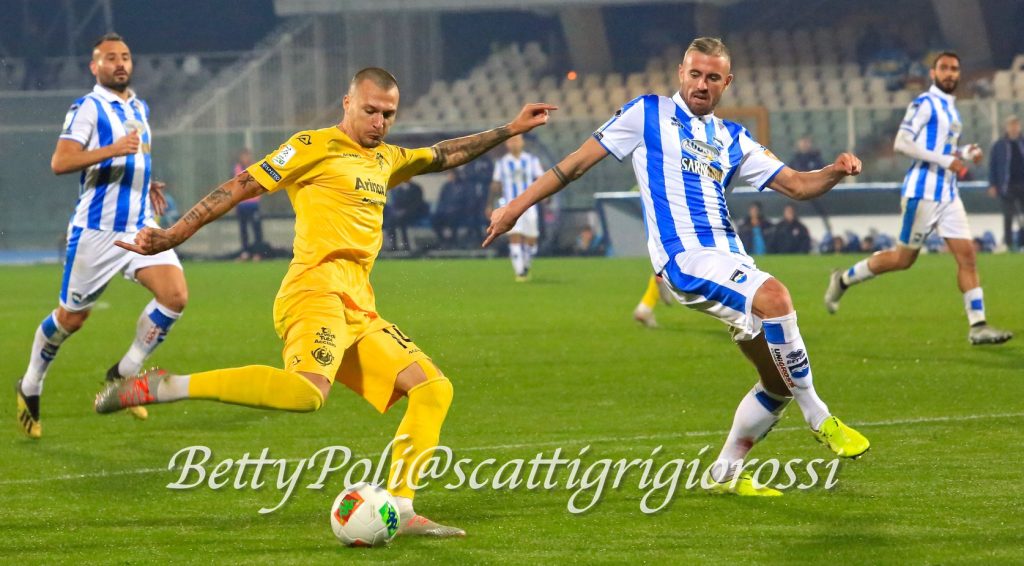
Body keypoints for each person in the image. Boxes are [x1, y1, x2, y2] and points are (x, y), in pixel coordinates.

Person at [94, 67, 555, 536]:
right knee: (308, 394)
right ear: (347, 103)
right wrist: (174, 233)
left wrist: (511, 129)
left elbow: (442, 154)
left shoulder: (387, 159)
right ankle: (165, 386)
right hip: (314, 291)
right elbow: (239, 187)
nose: (379, 121)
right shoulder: (311, 147)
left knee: (434, 389)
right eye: (370, 110)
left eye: (388, 114)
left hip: (359, 303)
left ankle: (401, 507)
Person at [485, 37, 869, 497]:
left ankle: (723, 475)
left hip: (730, 258)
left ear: (726, 82)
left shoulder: (732, 138)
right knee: (776, 297)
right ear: (680, 73)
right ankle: (820, 417)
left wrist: (835, 170)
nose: (701, 84)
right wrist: (515, 207)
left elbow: (798, 187)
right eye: (694, 74)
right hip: (683, 257)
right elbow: (574, 166)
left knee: (777, 382)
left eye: (712, 77)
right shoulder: (645, 114)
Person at [14, 33, 187, 438]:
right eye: (110, 58)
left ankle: (123, 374)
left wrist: (147, 183)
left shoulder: (139, 106)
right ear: (95, 67)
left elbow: (134, 158)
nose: (120, 63)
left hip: (140, 225)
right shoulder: (88, 108)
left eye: (125, 56)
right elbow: (62, 161)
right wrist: (114, 150)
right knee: (72, 319)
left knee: (175, 296)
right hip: (97, 232)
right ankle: (31, 383)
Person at [825, 52, 1013, 345]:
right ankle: (843, 279)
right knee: (903, 259)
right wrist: (945, 159)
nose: (950, 73)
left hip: (949, 194)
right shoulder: (925, 103)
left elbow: (941, 153)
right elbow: (902, 143)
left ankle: (978, 325)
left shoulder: (952, 110)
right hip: (923, 192)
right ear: (933, 74)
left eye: (954, 69)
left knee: (968, 257)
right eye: (944, 68)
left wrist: (964, 153)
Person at [489, 135, 544, 281]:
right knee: (514, 236)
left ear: (522, 142)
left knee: (531, 239)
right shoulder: (502, 163)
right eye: (511, 141)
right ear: (507, 144)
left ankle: (526, 265)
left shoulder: (532, 161)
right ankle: (520, 272)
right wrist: (490, 204)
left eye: (516, 140)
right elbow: (495, 185)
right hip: (509, 205)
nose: (514, 143)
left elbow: (541, 180)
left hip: (529, 205)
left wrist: (546, 197)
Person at [988, 116, 1024, 251]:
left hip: (1022, 185)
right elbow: (993, 165)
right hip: (1006, 186)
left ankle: (1022, 243)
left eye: (1016, 125)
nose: (1014, 128)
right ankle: (1009, 244)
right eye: (1011, 125)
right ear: (1006, 127)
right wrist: (992, 184)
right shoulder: (999, 145)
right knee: (1008, 216)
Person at [233, 147, 264, 260]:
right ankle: (245, 252)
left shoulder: (255, 167)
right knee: (243, 230)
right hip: (242, 205)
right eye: (244, 156)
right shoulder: (236, 169)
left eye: (247, 155)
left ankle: (258, 253)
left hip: (253, 204)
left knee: (256, 229)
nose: (245, 158)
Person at [384, 179, 428, 251]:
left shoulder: (416, 188)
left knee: (402, 221)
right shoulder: (399, 189)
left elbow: (417, 203)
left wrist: (405, 211)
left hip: (413, 213)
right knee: (390, 221)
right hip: (401, 214)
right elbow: (396, 204)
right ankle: (393, 245)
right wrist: (397, 211)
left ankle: (406, 244)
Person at [431, 169, 466, 247]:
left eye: (451, 174)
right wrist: (443, 209)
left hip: (458, 212)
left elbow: (464, 201)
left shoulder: (463, 186)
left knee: (452, 219)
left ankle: (452, 241)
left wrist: (454, 208)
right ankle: (443, 239)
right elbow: (441, 200)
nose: (449, 176)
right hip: (445, 211)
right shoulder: (446, 186)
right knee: (434, 218)